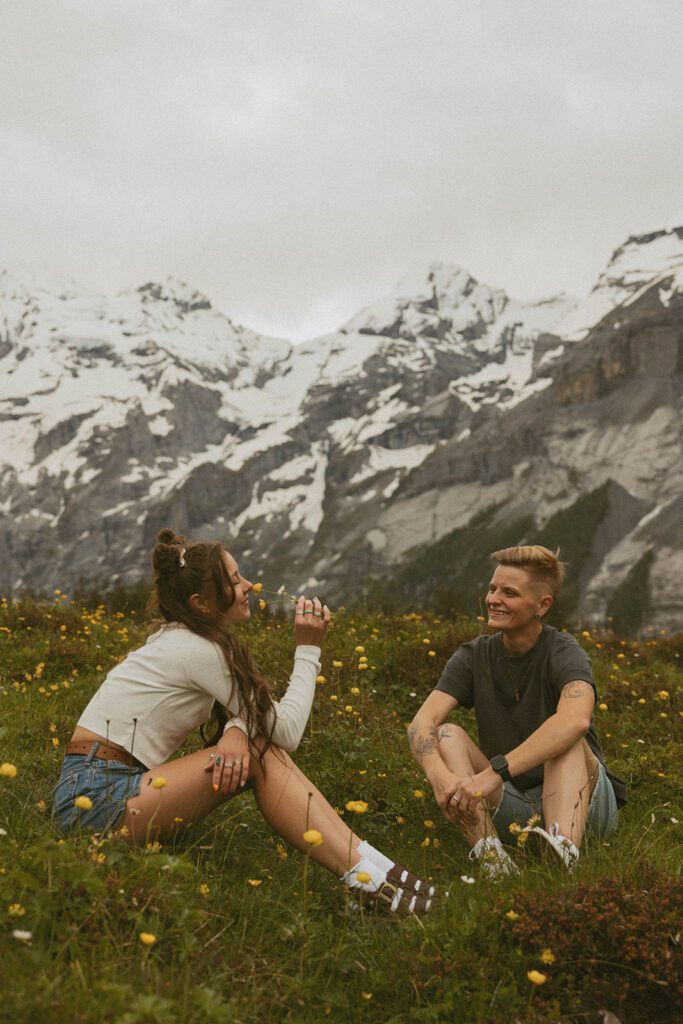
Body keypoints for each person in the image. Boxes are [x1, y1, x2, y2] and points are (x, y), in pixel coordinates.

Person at [52, 528, 435, 914]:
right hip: (96, 796)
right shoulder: (199, 649)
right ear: (202, 603)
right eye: (235, 581)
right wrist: (308, 648)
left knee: (260, 752)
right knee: (262, 754)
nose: (249, 585)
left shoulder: (184, 638)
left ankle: (381, 875)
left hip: (102, 783)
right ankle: (376, 888)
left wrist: (237, 729)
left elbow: (255, 716)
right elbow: (286, 731)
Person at [408, 545, 626, 878]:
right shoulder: (473, 656)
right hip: (516, 803)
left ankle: (563, 850)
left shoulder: (563, 651)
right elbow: (421, 723)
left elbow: (577, 719)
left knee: (566, 737)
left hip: (586, 805)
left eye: (509, 593)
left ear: (542, 605)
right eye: (493, 588)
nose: (494, 599)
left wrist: (493, 773)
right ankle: (493, 860)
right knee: (448, 733)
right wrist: (440, 778)